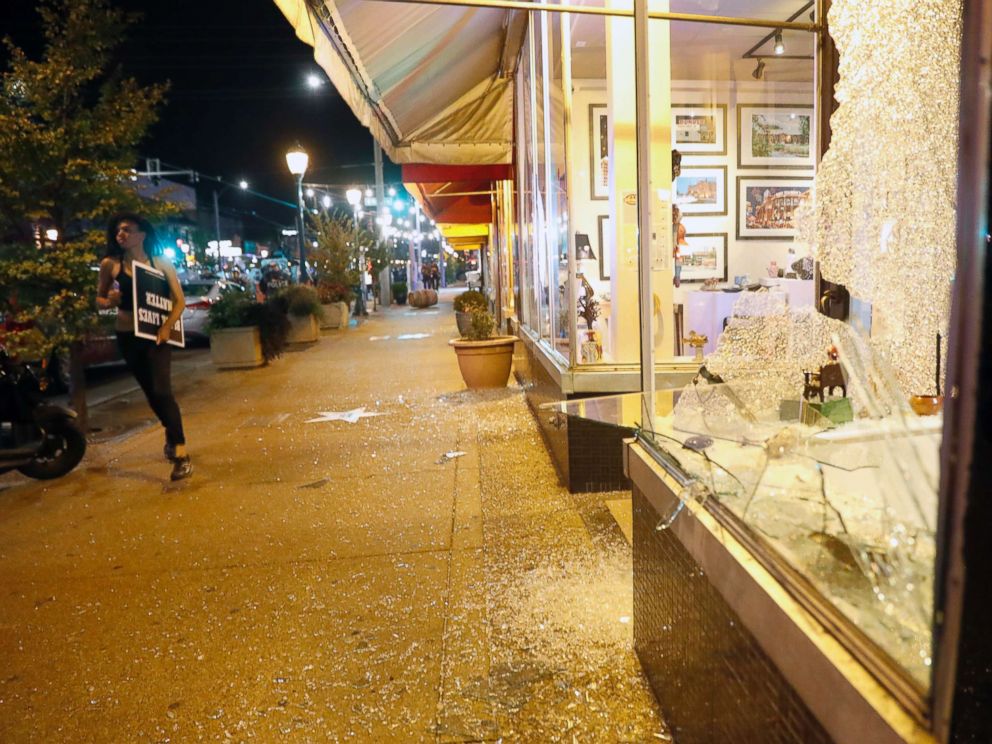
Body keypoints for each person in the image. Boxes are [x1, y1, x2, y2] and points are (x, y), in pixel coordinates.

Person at [96, 213, 193, 481]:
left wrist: (166, 327)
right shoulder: (110, 265)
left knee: (163, 390)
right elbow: (99, 299)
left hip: (158, 337)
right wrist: (110, 301)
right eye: (118, 230)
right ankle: (170, 431)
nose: (121, 234)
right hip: (128, 336)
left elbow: (180, 301)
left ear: (142, 234)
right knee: (151, 394)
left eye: (127, 229)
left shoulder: (160, 263)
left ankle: (181, 453)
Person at [672, 205, 687, 288]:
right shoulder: (677, 227)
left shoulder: (680, 228)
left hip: (676, 248)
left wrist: (677, 275)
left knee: (678, 258)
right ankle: (677, 276)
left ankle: (677, 276)